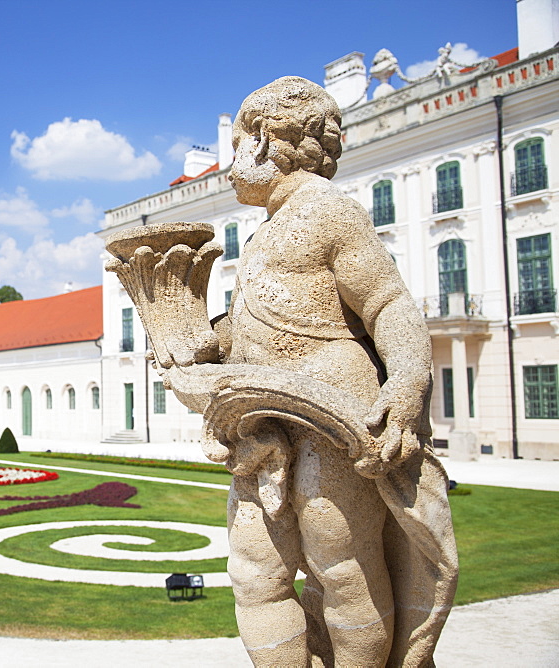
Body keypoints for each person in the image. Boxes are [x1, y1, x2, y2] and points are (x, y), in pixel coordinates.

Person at [189, 77, 456, 666]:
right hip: (261, 418)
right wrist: (207, 347)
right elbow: (260, 327)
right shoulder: (263, 235)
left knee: (342, 568)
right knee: (254, 570)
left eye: (233, 150)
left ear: (262, 140)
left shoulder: (331, 213)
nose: (228, 169)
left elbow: (388, 304)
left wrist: (408, 383)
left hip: (331, 408)